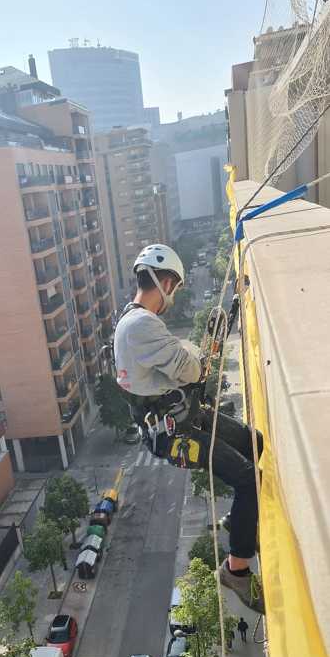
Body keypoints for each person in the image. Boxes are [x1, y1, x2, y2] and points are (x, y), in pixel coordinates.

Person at [113, 244, 264, 613]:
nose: (174, 297)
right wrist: (193, 356)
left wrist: (188, 357)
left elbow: (180, 366)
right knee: (248, 481)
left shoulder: (131, 321)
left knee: (254, 443)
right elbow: (191, 369)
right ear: (165, 282)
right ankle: (236, 570)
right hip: (176, 433)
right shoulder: (141, 325)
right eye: (175, 289)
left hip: (184, 417)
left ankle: (239, 520)